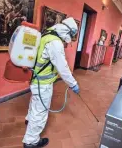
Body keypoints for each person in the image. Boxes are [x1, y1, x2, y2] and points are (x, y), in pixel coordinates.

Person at [23, 17, 80, 148]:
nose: (69, 40)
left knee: (35, 104)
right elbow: (62, 67)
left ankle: (29, 121)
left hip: (36, 80)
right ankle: (31, 141)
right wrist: (73, 84)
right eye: (71, 36)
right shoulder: (55, 43)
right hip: (43, 83)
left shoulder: (47, 33)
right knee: (41, 111)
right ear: (68, 32)